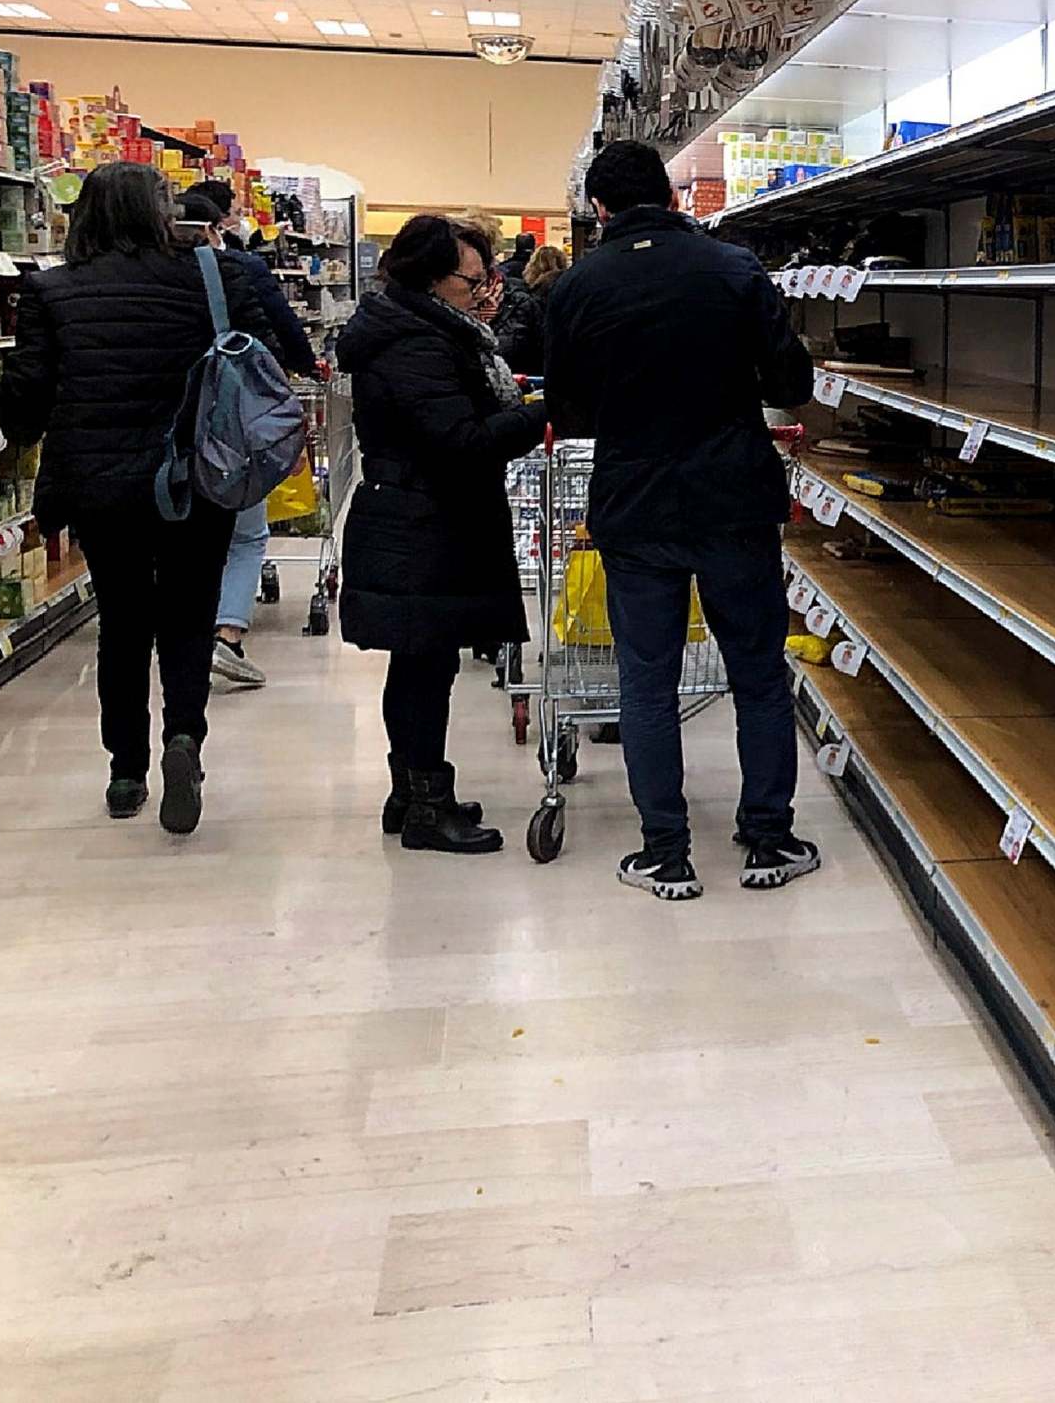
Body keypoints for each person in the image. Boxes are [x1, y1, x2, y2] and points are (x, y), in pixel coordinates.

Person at [546, 141, 816, 900]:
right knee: (758, 672)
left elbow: (566, 410)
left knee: (648, 682)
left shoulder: (577, 287)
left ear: (598, 208)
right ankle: (767, 839)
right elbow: (790, 379)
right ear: (671, 197)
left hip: (635, 507)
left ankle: (666, 852)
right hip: (734, 499)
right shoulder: (733, 269)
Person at [0, 161, 274, 833]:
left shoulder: (51, 290)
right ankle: (185, 738)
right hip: (194, 479)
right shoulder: (208, 278)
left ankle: (126, 769)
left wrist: (28, 424)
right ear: (160, 214)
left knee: (123, 621)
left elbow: (25, 400)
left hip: (100, 486)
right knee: (188, 616)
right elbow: (257, 357)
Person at [335, 215, 543, 853]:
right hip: (423, 520)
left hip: (418, 515)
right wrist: (534, 418)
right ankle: (427, 806)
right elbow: (460, 441)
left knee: (422, 663)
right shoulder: (416, 343)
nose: (483, 292)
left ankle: (411, 791)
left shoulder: (419, 328)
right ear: (430, 277)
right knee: (425, 667)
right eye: (470, 280)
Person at [179, 185, 316, 690]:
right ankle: (228, 633)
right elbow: (269, 339)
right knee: (246, 533)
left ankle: (183, 635)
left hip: (166, 434)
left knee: (182, 538)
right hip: (228, 426)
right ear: (216, 226)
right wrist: (299, 377)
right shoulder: (237, 271)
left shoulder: (139, 278)